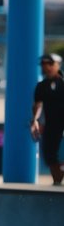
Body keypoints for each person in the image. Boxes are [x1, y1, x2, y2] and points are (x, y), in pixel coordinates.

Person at [30, 52, 64, 186]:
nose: (47, 67)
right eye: (44, 64)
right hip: (51, 125)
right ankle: (57, 183)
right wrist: (35, 121)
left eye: (50, 64)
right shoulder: (41, 86)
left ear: (58, 65)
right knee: (50, 155)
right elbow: (38, 105)